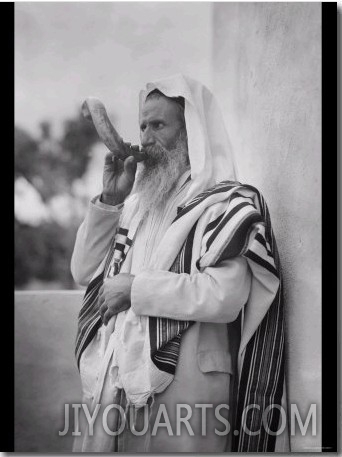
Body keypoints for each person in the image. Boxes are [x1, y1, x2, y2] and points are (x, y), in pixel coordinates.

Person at [71, 74, 287, 453]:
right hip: (119, 385)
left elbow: (225, 296)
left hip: (187, 388)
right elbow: (83, 272)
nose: (146, 137)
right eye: (142, 125)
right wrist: (109, 201)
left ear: (191, 133)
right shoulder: (135, 204)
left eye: (159, 125)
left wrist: (135, 289)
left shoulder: (225, 203)